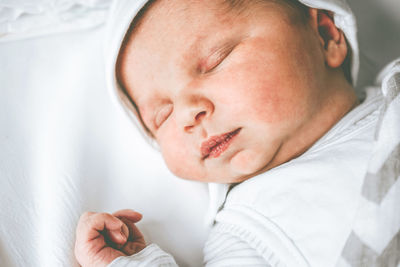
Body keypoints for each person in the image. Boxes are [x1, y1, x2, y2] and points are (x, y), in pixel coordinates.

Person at [74, 0, 400, 266]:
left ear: (325, 35)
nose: (187, 114)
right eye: (162, 115)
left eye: (217, 60)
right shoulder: (247, 232)